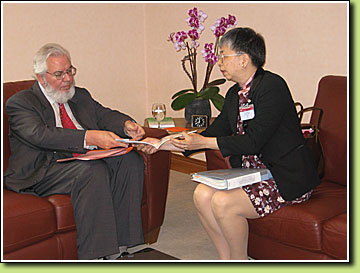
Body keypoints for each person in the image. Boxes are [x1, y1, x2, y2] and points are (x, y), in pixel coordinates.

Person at [138, 27, 321, 260]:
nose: (219, 62)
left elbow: (254, 141)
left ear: (244, 59)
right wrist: (161, 144)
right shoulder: (235, 94)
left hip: (284, 176)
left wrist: (203, 141)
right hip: (253, 174)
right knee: (201, 194)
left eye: (223, 55)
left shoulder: (272, 87)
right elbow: (213, 132)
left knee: (224, 203)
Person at [4, 43, 147, 260]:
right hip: (44, 169)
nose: (68, 79)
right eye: (59, 74)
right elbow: (39, 135)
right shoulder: (21, 102)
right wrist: (88, 137)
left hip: (83, 159)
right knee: (91, 172)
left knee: (130, 161)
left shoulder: (79, 95)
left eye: (70, 71)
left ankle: (121, 246)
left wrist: (126, 123)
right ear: (41, 77)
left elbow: (104, 115)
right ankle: (94, 257)